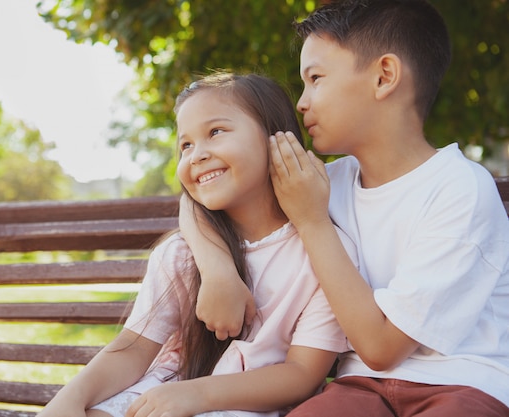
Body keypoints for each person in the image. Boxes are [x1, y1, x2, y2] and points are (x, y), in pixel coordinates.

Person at [181, 1, 509, 416]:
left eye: (316, 78)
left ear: (384, 76)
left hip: (462, 384)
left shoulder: (459, 189)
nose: (301, 103)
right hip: (359, 389)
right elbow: (199, 199)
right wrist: (218, 271)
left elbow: (382, 348)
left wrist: (313, 221)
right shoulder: (324, 183)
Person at [36, 72, 358, 417]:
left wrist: (196, 396)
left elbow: (302, 374)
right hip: (164, 392)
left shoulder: (324, 253)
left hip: (244, 404)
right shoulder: (181, 253)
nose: (197, 155)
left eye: (215, 132)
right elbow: (134, 349)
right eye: (185, 145)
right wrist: (71, 398)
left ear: (276, 139)